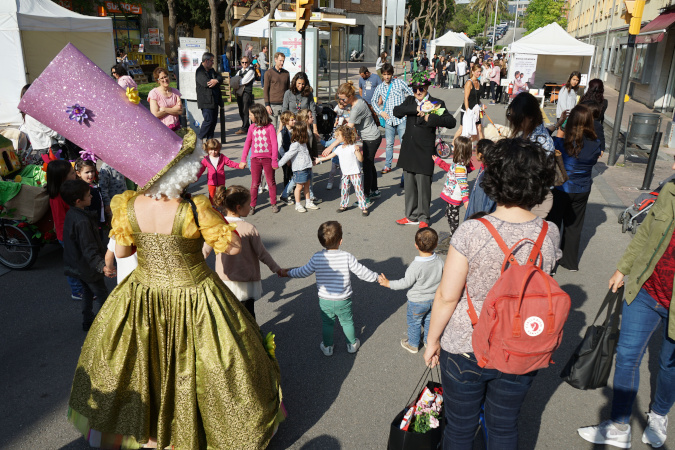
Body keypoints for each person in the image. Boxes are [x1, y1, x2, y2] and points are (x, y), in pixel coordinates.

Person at [19, 45, 284, 449]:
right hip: (195, 296)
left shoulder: (127, 204)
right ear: (182, 173)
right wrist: (212, 240)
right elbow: (230, 248)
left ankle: (148, 433)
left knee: (144, 366)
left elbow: (124, 254)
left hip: (142, 294)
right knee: (207, 369)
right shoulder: (195, 208)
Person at [423, 137, 561, 449]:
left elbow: (447, 296)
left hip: (466, 345)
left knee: (459, 428)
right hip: (521, 345)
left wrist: (432, 341)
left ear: (492, 178)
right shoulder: (548, 233)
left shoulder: (472, 231)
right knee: (503, 427)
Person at [577, 160, 675, 450]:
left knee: (668, 366)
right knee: (627, 355)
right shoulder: (670, 191)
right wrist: (623, 267)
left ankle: (659, 415)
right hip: (646, 289)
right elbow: (644, 235)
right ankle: (619, 425)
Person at [280, 221, 378, 356]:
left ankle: (327, 347)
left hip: (325, 299)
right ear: (341, 241)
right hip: (343, 298)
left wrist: (288, 273)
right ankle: (351, 345)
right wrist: (376, 277)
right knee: (347, 322)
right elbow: (361, 271)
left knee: (327, 323)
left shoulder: (317, 257)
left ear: (321, 242)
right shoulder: (346, 257)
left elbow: (303, 271)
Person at [204, 185, 282, 319]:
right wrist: (277, 269)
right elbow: (262, 253)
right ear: (239, 207)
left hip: (225, 279)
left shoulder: (217, 227)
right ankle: (252, 339)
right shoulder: (249, 228)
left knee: (229, 317)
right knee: (248, 316)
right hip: (246, 281)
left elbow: (204, 251)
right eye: (248, 204)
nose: (251, 206)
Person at [393, 71, 456, 228]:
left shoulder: (436, 102)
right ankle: (411, 216)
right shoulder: (410, 101)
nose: (418, 92)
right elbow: (397, 111)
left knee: (423, 186)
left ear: (427, 87)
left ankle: (424, 218)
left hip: (424, 150)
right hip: (409, 148)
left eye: (421, 88)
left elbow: (451, 121)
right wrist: (416, 109)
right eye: (415, 89)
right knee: (409, 185)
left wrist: (430, 117)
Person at [546, 104, 602, 272]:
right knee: (574, 226)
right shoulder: (596, 144)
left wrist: (558, 124)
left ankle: (550, 262)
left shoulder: (561, 143)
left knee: (554, 224)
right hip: (582, 188)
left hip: (561, 188)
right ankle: (569, 262)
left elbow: (543, 136)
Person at [378, 227, 444, 353]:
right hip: (433, 299)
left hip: (417, 301)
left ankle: (413, 344)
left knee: (414, 322)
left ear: (416, 245)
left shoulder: (415, 266)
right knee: (430, 320)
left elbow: (405, 282)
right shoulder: (439, 261)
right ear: (436, 244)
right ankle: (428, 341)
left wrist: (388, 284)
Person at [60, 179, 113, 330]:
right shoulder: (82, 221)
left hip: (77, 265)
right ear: (78, 201)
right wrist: (102, 266)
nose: (91, 197)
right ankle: (106, 325)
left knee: (87, 293)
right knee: (102, 295)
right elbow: (88, 248)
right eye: (88, 195)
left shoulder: (72, 213)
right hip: (88, 267)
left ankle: (87, 321)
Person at [338, 82, 382, 204]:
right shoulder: (357, 101)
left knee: (367, 166)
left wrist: (331, 145)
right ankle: (375, 190)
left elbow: (348, 129)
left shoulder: (357, 107)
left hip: (371, 138)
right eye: (340, 98)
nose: (341, 101)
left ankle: (366, 196)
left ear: (350, 96)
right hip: (371, 137)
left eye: (343, 99)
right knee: (370, 164)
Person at [46, 160, 83, 301]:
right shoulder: (59, 197)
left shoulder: (60, 192)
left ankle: (81, 287)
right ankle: (77, 291)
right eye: (73, 173)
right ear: (63, 177)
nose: (75, 175)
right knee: (74, 264)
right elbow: (63, 220)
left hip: (70, 233)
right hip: (68, 235)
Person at [315, 125, 369, 216]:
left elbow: (361, 159)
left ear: (344, 136)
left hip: (355, 173)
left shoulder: (353, 147)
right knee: (344, 190)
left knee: (358, 190)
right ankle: (344, 205)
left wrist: (358, 151)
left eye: (338, 135)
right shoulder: (339, 148)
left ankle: (364, 207)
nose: (336, 137)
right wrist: (319, 159)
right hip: (345, 173)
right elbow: (330, 156)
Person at [372, 63, 414, 174]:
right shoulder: (380, 87)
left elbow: (411, 94)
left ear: (392, 74)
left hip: (401, 120)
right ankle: (387, 165)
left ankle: (406, 167)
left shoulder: (399, 83)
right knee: (389, 144)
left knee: (404, 144)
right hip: (389, 120)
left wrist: (406, 110)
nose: (386, 77)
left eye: (388, 74)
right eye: (384, 74)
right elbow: (373, 101)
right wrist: (381, 112)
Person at [241, 104, 279, 214]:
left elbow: (274, 144)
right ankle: (252, 205)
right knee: (254, 183)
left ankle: (273, 203)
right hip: (255, 160)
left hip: (268, 159)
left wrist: (274, 160)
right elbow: (247, 144)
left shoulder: (270, 127)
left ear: (258, 115)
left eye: (251, 115)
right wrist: (243, 159)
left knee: (271, 182)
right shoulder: (251, 128)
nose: (249, 117)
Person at [433, 135, 473, 237]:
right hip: (451, 195)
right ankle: (453, 233)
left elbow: (463, 185)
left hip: (455, 197)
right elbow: (450, 169)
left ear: (459, 150)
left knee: (453, 218)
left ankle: (455, 236)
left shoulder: (460, 167)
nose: (452, 147)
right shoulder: (457, 163)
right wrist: (439, 162)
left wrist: (465, 200)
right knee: (450, 215)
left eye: (454, 146)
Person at [277, 122, 316, 212]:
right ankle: (298, 204)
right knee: (299, 187)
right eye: (305, 132)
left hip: (307, 167)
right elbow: (288, 155)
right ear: (301, 133)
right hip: (299, 169)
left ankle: (308, 202)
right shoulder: (295, 145)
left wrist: (311, 163)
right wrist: (278, 164)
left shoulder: (303, 143)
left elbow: (305, 155)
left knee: (307, 186)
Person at [197, 138, 241, 203]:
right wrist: (196, 177)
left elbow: (230, 163)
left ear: (219, 149)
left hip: (221, 180)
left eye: (215, 150)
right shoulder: (206, 159)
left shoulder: (222, 157)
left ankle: (222, 205)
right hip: (211, 181)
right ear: (207, 149)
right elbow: (201, 169)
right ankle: (212, 207)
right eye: (211, 150)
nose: (213, 152)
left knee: (222, 194)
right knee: (212, 195)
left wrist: (239, 165)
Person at [464, 139, 497, 220]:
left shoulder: (489, 173)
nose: (474, 153)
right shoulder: (483, 167)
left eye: (475, 150)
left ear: (481, 154)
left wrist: (482, 217)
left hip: (482, 214)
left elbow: (490, 200)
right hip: (476, 208)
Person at [74, 158, 105, 239]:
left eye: (92, 171)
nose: (91, 174)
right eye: (87, 172)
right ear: (78, 173)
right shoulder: (82, 189)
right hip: (91, 221)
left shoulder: (94, 184)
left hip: (98, 219)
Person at [195, 52, 223, 141]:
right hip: (206, 101)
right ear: (206, 61)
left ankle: (209, 142)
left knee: (213, 122)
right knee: (208, 121)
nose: (213, 63)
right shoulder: (199, 71)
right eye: (211, 61)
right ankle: (199, 139)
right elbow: (207, 83)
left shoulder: (211, 70)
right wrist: (215, 81)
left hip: (214, 101)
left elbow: (220, 77)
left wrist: (216, 80)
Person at [454, 63, 484, 141]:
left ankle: (482, 147)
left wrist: (481, 105)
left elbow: (477, 97)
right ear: (473, 72)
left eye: (480, 71)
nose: (479, 73)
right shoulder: (469, 82)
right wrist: (467, 111)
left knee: (479, 128)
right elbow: (466, 98)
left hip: (476, 109)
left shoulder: (479, 82)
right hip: (468, 109)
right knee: (462, 128)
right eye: (477, 71)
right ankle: (453, 143)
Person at [264, 52, 291, 130]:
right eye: (280, 60)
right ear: (275, 60)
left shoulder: (286, 74)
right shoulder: (269, 73)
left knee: (282, 127)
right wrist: (267, 105)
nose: (282, 63)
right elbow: (266, 89)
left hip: (284, 104)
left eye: (283, 61)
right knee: (272, 127)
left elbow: (288, 90)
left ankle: (281, 142)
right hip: (272, 105)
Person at [233, 55, 256, 135]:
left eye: (246, 62)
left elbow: (243, 81)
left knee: (246, 110)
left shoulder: (251, 70)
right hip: (240, 93)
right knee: (241, 110)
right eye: (243, 62)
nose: (244, 64)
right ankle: (246, 126)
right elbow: (235, 79)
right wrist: (235, 82)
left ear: (249, 62)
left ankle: (245, 127)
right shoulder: (240, 71)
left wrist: (236, 83)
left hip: (246, 93)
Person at [277, 111, 296, 204]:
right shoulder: (282, 133)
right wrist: (287, 159)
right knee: (287, 175)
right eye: (292, 120)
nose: (294, 121)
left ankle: (295, 191)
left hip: (294, 158)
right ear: (286, 121)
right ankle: (285, 193)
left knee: (295, 174)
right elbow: (280, 147)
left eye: (294, 119)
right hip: (285, 158)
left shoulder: (295, 131)